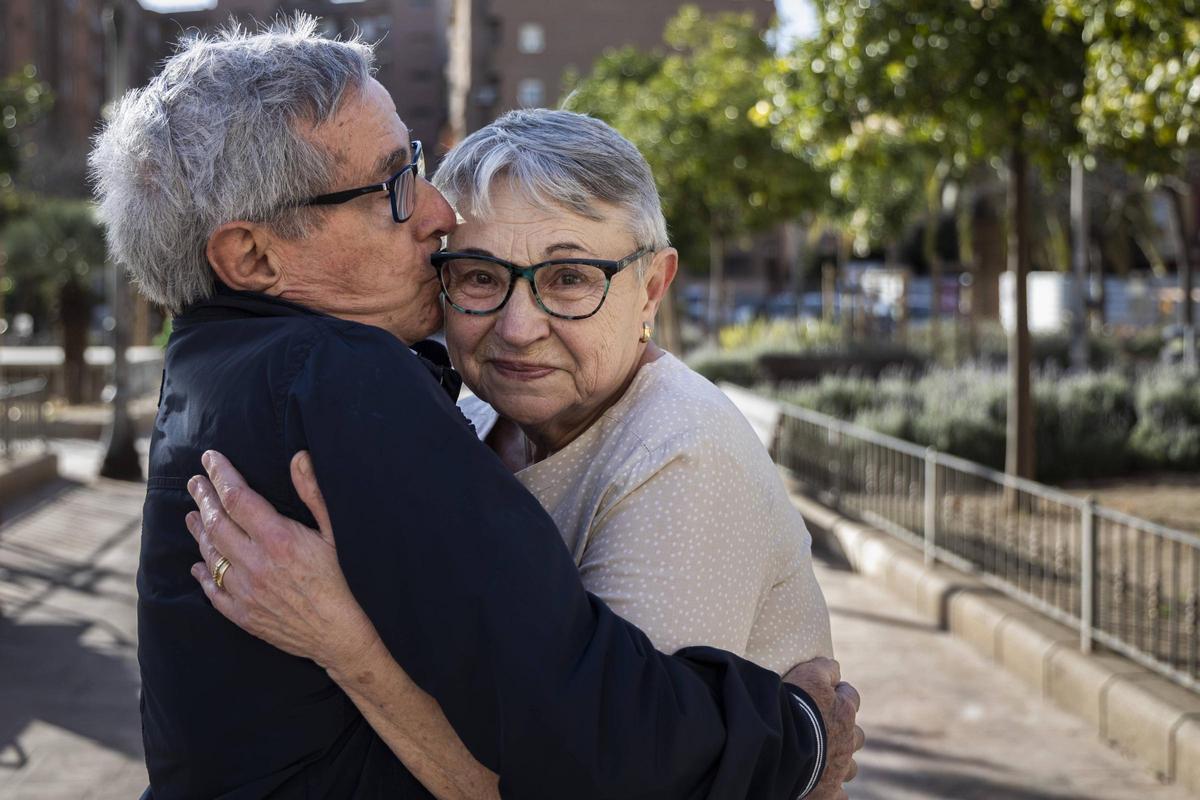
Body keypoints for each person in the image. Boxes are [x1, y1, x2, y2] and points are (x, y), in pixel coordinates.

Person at [92, 17, 860, 800]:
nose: (435, 214)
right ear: (253, 256)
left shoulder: (210, 367)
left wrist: (344, 641)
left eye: (416, 165)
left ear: (650, 286)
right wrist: (797, 736)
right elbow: (601, 733)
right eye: (392, 186)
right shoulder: (335, 376)